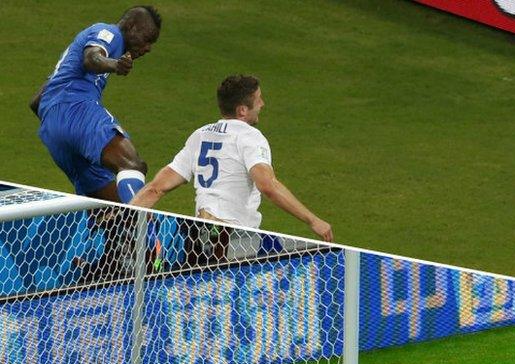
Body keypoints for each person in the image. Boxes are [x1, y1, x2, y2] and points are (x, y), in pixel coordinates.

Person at [129, 74, 334, 243]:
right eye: (258, 99)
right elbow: (268, 186)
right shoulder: (250, 137)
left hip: (200, 238)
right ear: (242, 110)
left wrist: (124, 219)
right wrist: (312, 220)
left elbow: (156, 188)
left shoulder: (200, 135)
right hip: (237, 239)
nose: (262, 104)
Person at [31, 6, 162, 203]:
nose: (148, 48)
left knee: (113, 209)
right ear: (131, 26)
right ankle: (146, 232)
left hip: (52, 131)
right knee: (133, 166)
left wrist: (60, 127)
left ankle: (133, 231)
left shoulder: (66, 68)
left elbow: (36, 102)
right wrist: (115, 65)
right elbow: (91, 58)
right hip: (76, 108)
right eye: (147, 38)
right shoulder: (111, 33)